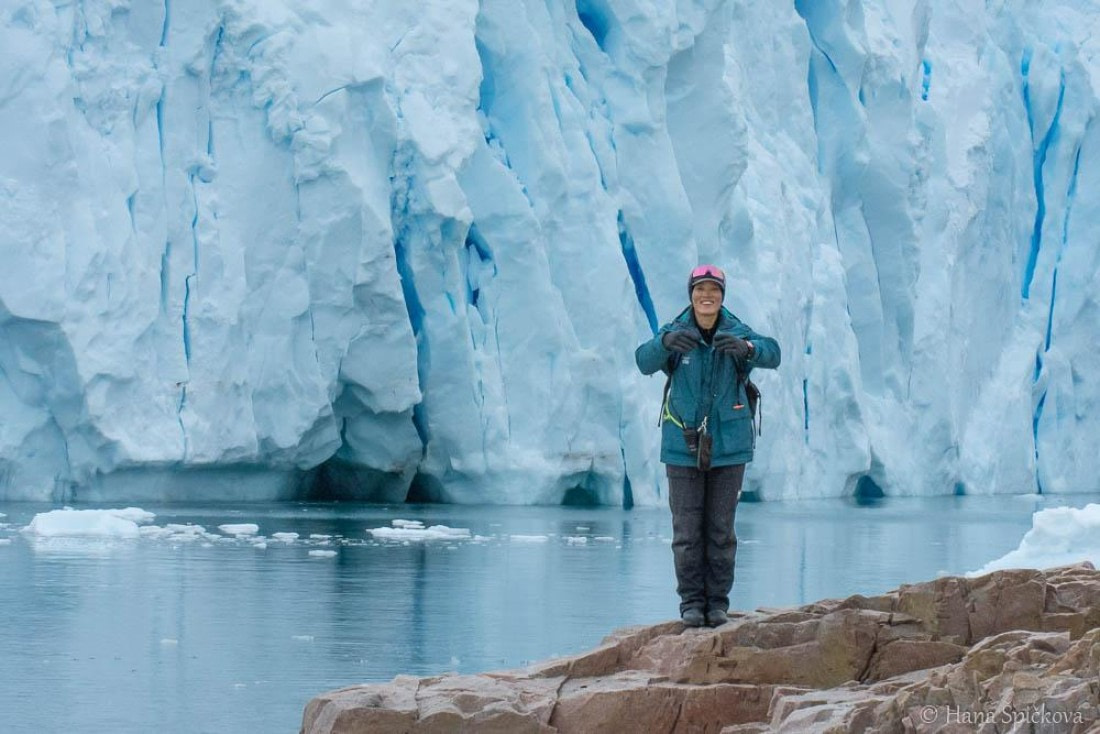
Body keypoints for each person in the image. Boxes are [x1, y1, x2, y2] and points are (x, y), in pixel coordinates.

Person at [634, 265, 781, 628]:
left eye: (713, 290)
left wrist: (747, 348)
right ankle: (691, 604)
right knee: (686, 531)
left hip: (729, 445)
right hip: (682, 445)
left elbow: (773, 353)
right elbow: (643, 361)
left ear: (722, 296)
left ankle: (717, 603)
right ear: (691, 294)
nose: (707, 296)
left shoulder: (736, 331)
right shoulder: (676, 332)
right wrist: (664, 344)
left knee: (720, 530)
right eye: (701, 289)